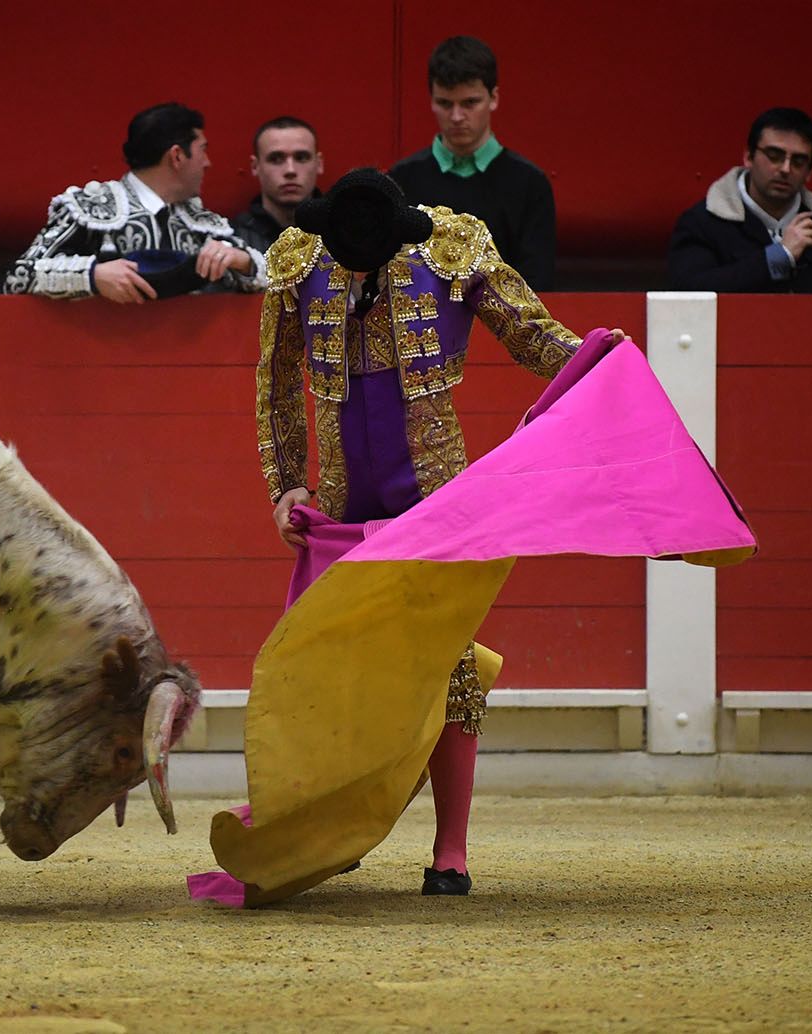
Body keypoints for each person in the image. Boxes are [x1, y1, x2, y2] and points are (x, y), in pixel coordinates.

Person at [255, 168, 621, 895]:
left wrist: (601, 361)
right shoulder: (300, 260)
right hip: (343, 501)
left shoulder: (450, 248)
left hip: (436, 496)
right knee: (339, 661)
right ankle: (341, 818)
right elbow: (277, 381)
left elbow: (532, 336)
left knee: (448, 665)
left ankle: (450, 850)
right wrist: (287, 481)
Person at [4, 102, 265, 302]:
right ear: (177, 156)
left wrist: (241, 260)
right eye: (202, 150)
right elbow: (19, 278)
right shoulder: (92, 207)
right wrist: (92, 276)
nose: (207, 163)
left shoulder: (199, 222)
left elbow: (271, 279)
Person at [388, 36, 556, 290]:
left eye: (470, 103)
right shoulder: (401, 180)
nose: (457, 116)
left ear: (494, 98)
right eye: (445, 103)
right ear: (431, 100)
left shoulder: (530, 185)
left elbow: (538, 285)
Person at [665, 107, 812, 293]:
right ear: (748, 157)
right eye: (774, 156)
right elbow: (689, 294)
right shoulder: (703, 222)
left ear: (809, 172)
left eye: (798, 161)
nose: (785, 169)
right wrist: (779, 256)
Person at [232, 116, 323, 255]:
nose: (290, 170)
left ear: (319, 164)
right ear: (255, 166)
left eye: (301, 158)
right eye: (276, 159)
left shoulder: (344, 233)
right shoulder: (234, 240)